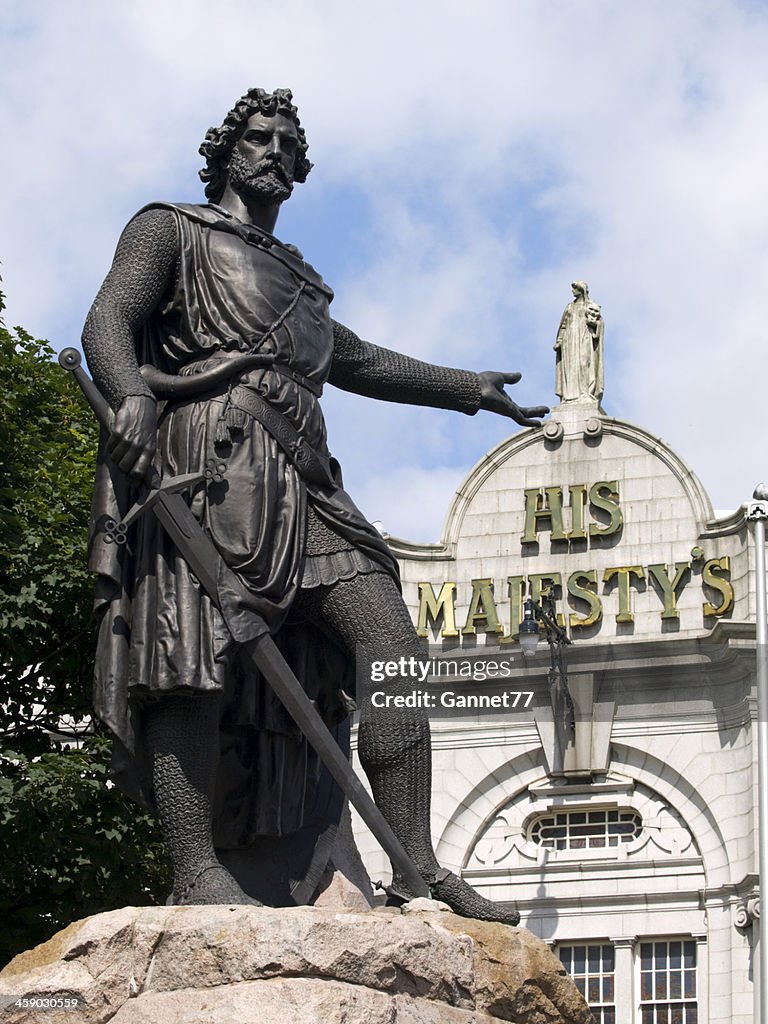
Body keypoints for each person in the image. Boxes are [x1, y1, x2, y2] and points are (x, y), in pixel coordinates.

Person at [82, 87, 548, 920]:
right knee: (191, 664)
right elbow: (108, 319)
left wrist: (464, 388)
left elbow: (358, 359)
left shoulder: (301, 281)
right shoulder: (170, 229)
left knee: (392, 652)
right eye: (257, 138)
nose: (273, 152)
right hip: (210, 463)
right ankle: (196, 870)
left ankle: (417, 866)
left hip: (305, 481)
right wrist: (132, 396)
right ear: (226, 152)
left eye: (286, 144)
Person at [554, 280, 604, 403]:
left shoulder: (590, 305)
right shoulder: (570, 307)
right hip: (569, 340)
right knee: (570, 367)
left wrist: (595, 324)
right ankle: (569, 396)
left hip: (584, 337)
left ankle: (585, 393)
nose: (572, 291)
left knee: (584, 363)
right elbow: (564, 324)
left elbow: (600, 322)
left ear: (581, 290)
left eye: (575, 288)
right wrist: (560, 340)